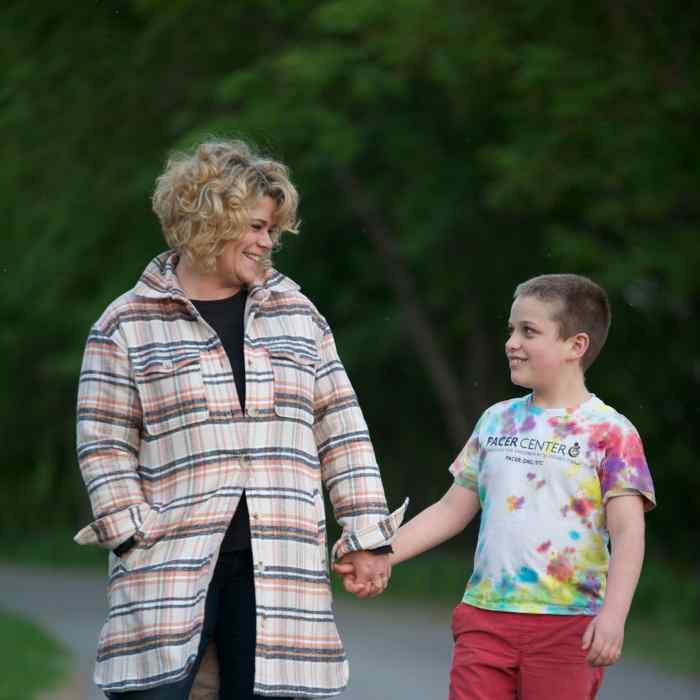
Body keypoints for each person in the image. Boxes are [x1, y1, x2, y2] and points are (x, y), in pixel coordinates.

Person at [74, 138, 407, 699]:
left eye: (272, 230)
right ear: (208, 220)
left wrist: (368, 535)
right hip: (170, 564)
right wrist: (134, 535)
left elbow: (342, 428)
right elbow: (104, 442)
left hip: (280, 564)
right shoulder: (126, 324)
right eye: (255, 226)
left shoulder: (299, 315)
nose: (266, 242)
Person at [336, 273, 655, 699]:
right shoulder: (496, 420)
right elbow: (452, 510)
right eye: (511, 330)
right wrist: (382, 555)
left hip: (567, 626)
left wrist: (613, 617)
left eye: (529, 331)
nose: (512, 342)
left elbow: (628, 532)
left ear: (575, 346)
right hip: (484, 619)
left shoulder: (610, 433)